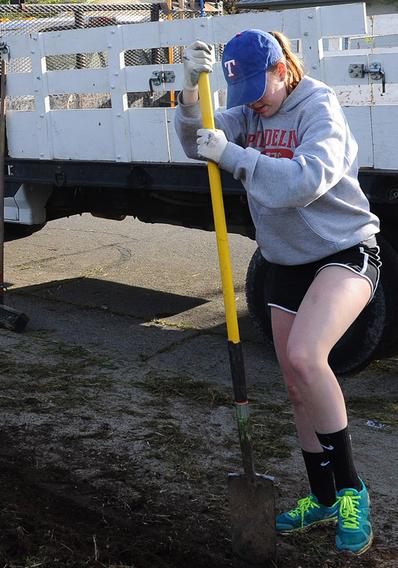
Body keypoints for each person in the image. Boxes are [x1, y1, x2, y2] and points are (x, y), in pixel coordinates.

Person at [175, 30, 379, 555]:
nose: (254, 105)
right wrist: (190, 95)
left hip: (343, 250)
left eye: (259, 89)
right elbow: (199, 138)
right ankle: (323, 496)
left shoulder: (319, 108)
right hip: (286, 262)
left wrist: (237, 158)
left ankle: (353, 490)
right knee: (295, 383)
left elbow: (303, 182)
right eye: (241, 94)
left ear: (283, 68)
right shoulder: (251, 112)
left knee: (307, 357)